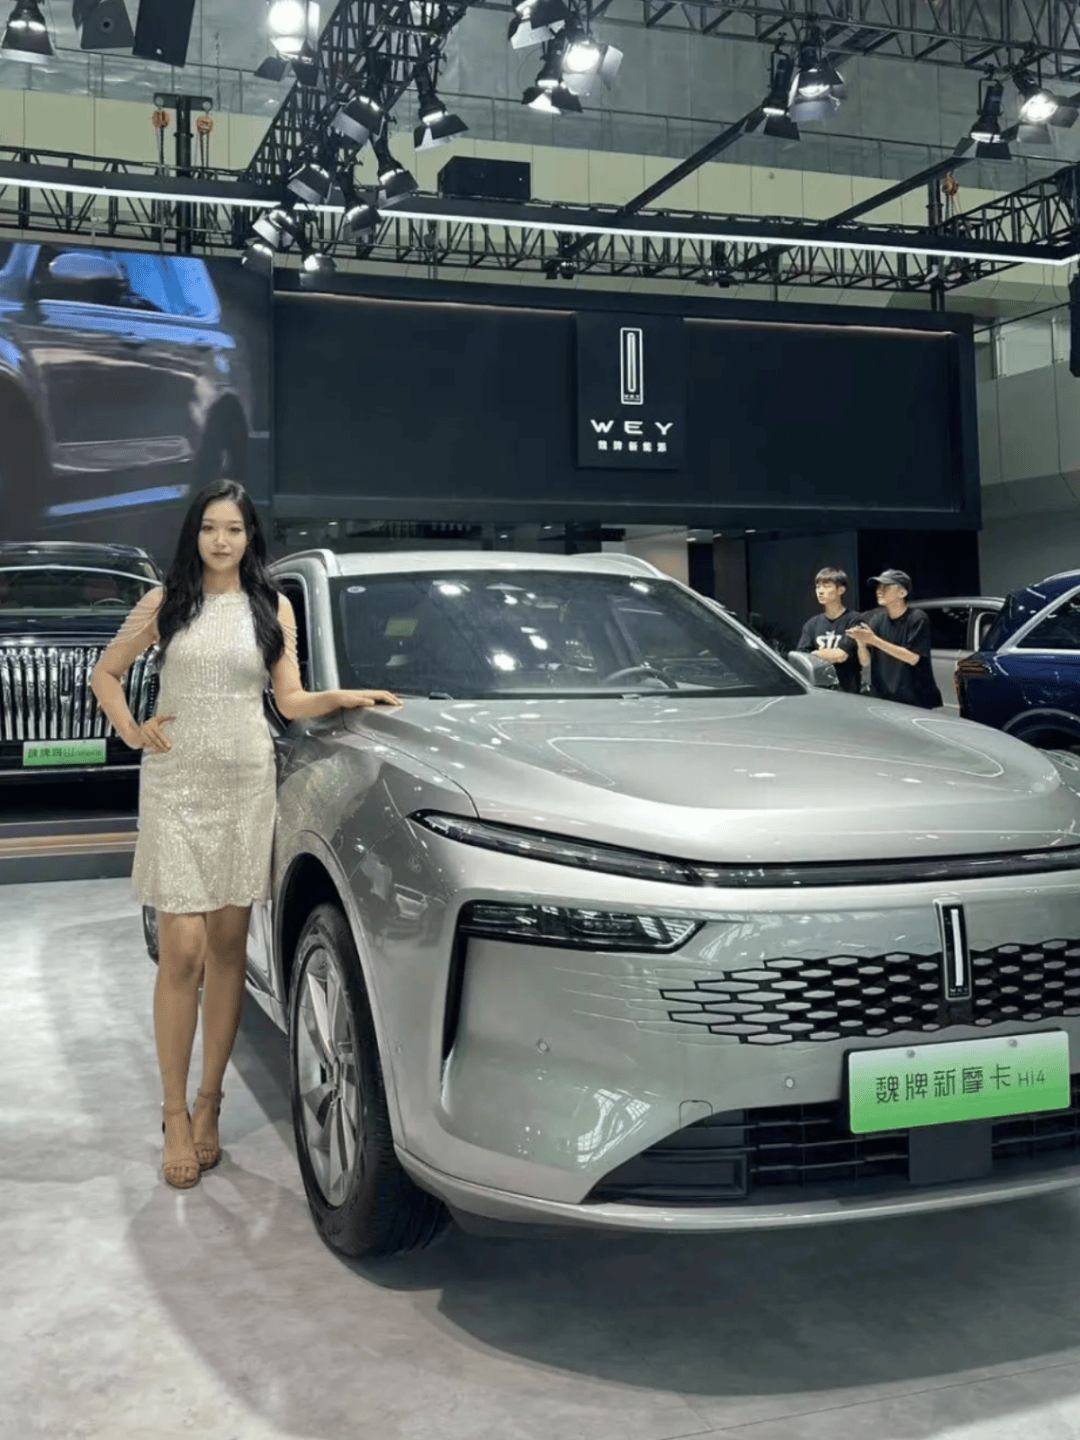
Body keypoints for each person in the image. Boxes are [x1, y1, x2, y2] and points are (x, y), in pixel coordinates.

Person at [91, 480, 401, 1190]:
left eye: (233, 529)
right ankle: (173, 1113)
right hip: (176, 785)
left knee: (230, 948)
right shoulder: (166, 603)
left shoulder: (271, 607)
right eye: (210, 528)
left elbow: (288, 700)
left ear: (250, 537)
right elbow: (106, 673)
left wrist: (345, 696)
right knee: (183, 950)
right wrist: (132, 730)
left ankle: (210, 1105)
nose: (221, 540)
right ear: (194, 534)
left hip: (245, 785)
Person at [848, 568, 943, 710]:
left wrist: (874, 640)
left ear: (902, 593)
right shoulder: (878, 620)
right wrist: (861, 643)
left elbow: (913, 658)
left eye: (886, 587)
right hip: (883, 697)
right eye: (878, 587)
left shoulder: (917, 618)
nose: (879, 591)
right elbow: (865, 661)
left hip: (915, 700)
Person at [795, 566, 864, 694]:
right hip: (819, 692)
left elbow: (841, 655)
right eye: (818, 587)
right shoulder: (811, 624)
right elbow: (801, 660)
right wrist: (827, 655)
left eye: (826, 586)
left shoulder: (854, 620)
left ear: (841, 590)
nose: (820, 591)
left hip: (848, 691)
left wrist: (815, 654)